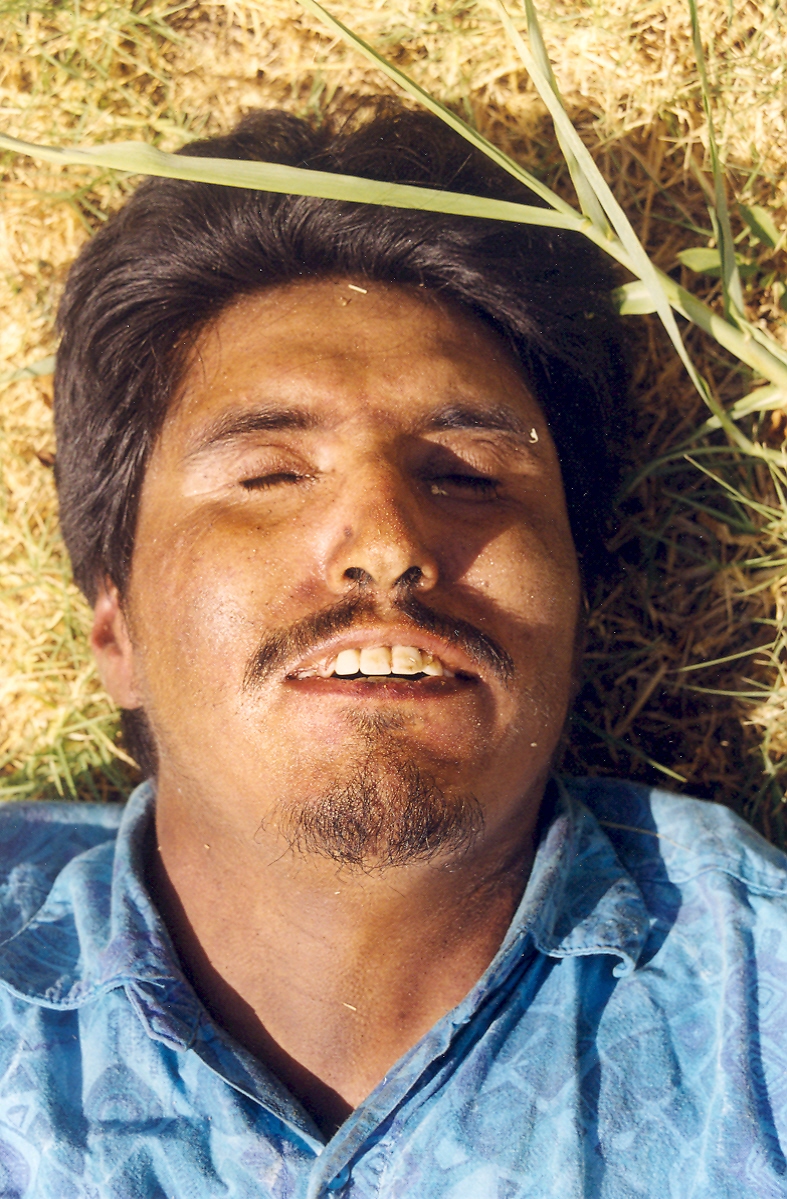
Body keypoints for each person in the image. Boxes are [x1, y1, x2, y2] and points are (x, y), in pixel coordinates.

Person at [0, 102, 785, 1199]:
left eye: (466, 475)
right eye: (269, 473)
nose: (387, 542)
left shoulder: (756, 1011)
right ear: (114, 627)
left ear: (580, 610)